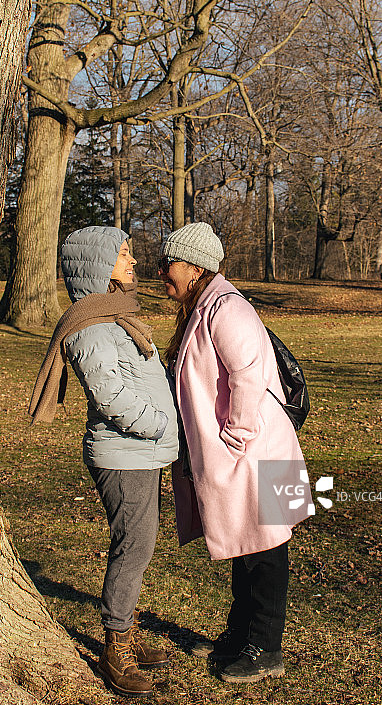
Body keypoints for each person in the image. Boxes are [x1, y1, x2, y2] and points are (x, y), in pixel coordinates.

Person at [29, 226, 179, 697]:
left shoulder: (115, 316)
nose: (132, 262)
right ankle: (116, 646)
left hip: (141, 452)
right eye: (122, 255)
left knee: (140, 546)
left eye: (131, 252)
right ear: (95, 265)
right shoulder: (91, 325)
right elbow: (110, 394)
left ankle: (126, 633)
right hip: (125, 453)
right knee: (133, 547)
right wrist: (158, 423)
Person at [159, 222, 309, 684]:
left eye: (170, 263)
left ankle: (265, 647)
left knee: (266, 549)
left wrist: (235, 436)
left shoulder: (227, 308)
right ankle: (242, 633)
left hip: (258, 446)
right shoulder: (205, 306)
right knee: (250, 546)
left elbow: (248, 374)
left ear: (196, 267)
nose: (162, 270)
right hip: (250, 448)